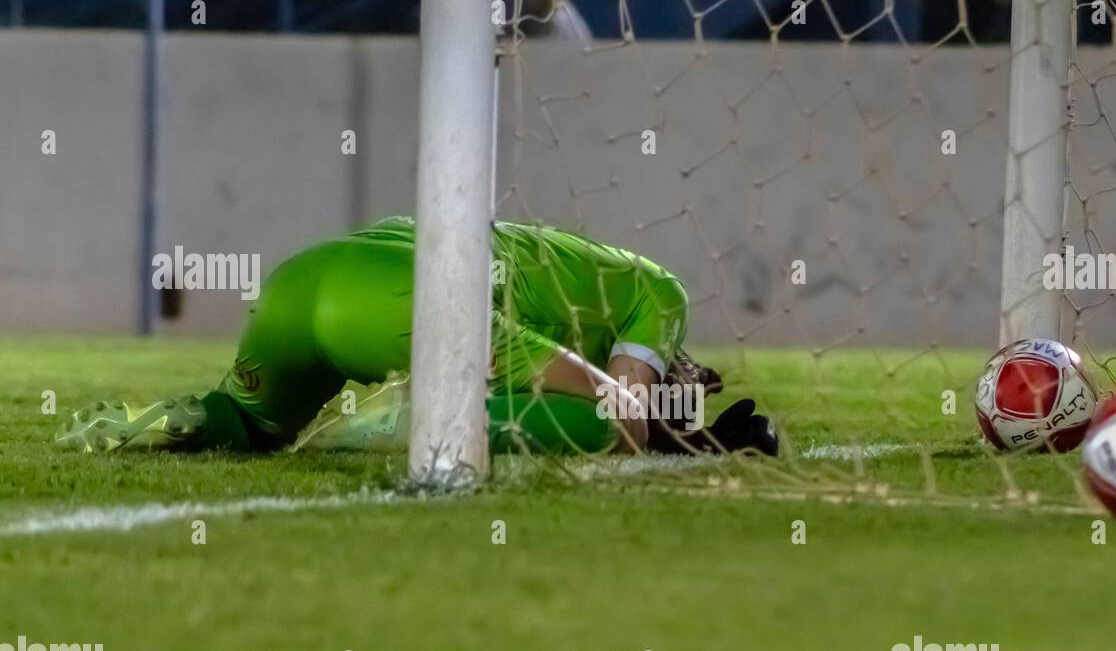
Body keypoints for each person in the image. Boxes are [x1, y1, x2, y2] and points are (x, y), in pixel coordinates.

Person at [55, 216, 778, 458]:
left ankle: (166, 418)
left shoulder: (567, 270)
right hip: (415, 300)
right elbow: (623, 417)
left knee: (254, 425)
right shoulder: (662, 295)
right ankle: (391, 418)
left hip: (303, 284)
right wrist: (691, 441)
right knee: (594, 421)